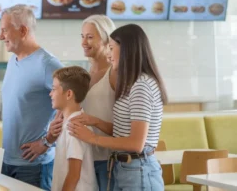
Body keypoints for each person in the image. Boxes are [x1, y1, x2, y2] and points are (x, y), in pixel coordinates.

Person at [68, 24, 168, 191]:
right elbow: (125, 132)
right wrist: (96, 122)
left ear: (127, 50)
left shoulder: (141, 86)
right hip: (124, 168)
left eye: (111, 48)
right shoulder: (132, 84)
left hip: (138, 170)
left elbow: (136, 143)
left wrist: (92, 138)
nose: (108, 55)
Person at [48, 14, 117, 191]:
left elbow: (124, 124)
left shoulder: (115, 74)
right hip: (85, 157)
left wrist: (94, 123)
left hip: (106, 160)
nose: (83, 42)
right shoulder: (84, 75)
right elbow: (69, 109)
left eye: (90, 37)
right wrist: (56, 126)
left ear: (106, 39)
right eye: (82, 36)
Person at [0, 4, 63, 190]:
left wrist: (47, 141)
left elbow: (72, 104)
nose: (1, 37)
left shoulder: (48, 64)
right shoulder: (13, 60)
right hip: (7, 161)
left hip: (34, 166)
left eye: (4, 30)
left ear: (23, 30)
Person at [50, 66, 98, 191]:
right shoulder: (68, 123)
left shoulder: (74, 128)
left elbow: (73, 175)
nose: (50, 94)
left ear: (69, 94)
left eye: (54, 89)